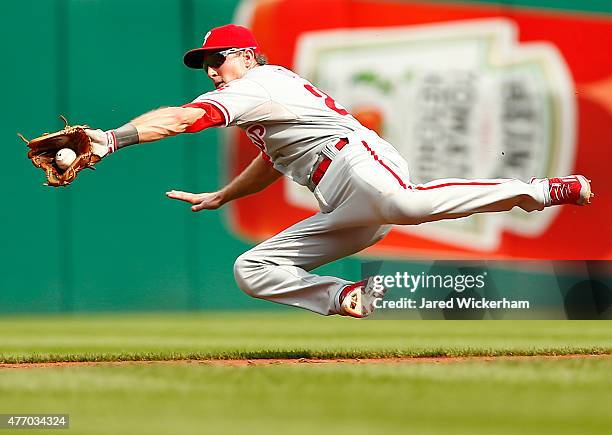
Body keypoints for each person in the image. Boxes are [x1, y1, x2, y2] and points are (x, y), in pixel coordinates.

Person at [86, 24, 593, 318]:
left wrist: (111, 139)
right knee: (251, 269)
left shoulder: (260, 82)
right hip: (341, 199)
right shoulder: (258, 101)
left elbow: (183, 119)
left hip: (357, 161)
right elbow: (272, 162)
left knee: (406, 203)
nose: (212, 71)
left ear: (245, 54)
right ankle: (346, 295)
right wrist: (225, 195)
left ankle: (539, 189)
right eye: (205, 65)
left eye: (218, 60)